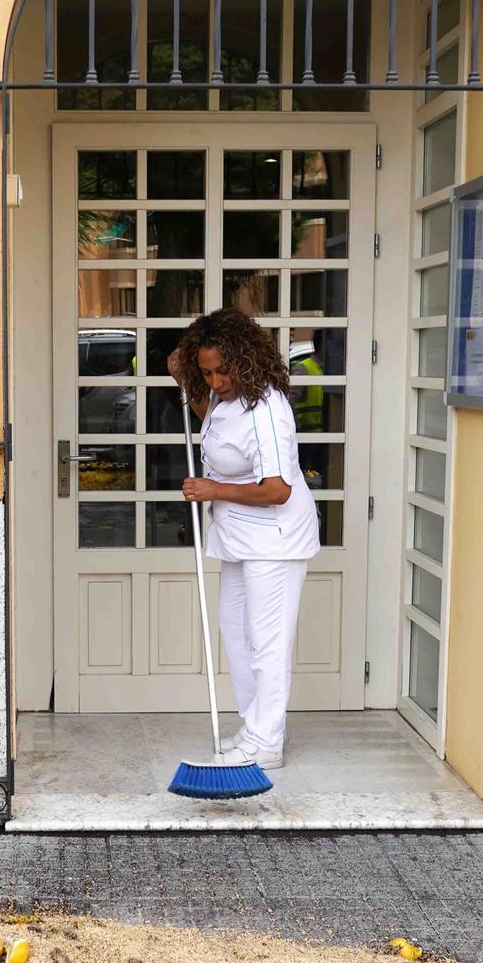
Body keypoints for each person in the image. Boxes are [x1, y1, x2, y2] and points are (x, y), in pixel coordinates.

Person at [169, 308, 318, 770]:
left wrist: (213, 489)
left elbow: (278, 489)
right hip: (237, 537)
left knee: (267, 639)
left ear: (246, 359)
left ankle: (267, 741)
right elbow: (210, 418)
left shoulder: (267, 409)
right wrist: (184, 377)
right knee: (235, 629)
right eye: (208, 372)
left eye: (223, 370)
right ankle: (256, 725)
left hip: (275, 538)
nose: (216, 381)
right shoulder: (226, 399)